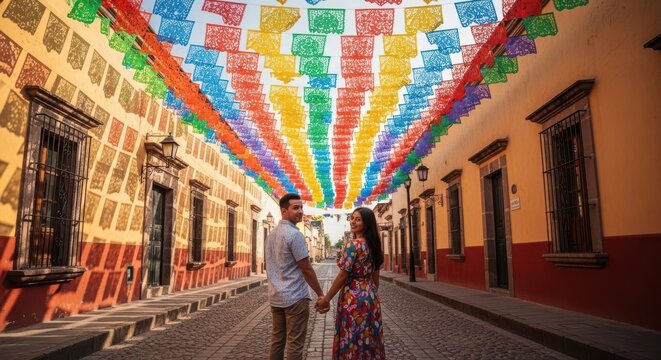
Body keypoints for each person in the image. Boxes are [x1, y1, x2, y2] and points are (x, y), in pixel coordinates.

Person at [317, 207, 385, 359]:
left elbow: (343, 275)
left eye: (358, 219)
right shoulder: (375, 245)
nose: (353, 222)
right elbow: (376, 276)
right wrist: (371, 295)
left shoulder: (353, 245)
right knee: (369, 336)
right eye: (352, 218)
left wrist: (326, 299)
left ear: (366, 223)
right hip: (371, 298)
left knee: (352, 336)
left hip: (352, 298)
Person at [265, 193, 326, 360]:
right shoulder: (295, 235)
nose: (300, 211)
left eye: (301, 207)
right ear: (284, 211)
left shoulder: (271, 235)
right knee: (295, 344)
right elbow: (306, 269)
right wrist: (321, 294)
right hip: (295, 298)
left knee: (277, 341)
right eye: (295, 208)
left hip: (276, 297)